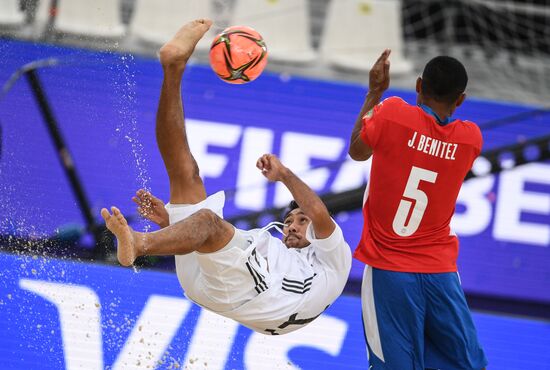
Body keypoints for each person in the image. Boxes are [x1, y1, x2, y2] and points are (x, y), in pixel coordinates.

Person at [101, 19, 352, 336]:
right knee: (188, 177)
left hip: (262, 296)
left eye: (299, 221)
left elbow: (318, 212)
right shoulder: (288, 259)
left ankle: (139, 243)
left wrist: (284, 173)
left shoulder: (333, 257)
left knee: (208, 221)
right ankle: (173, 67)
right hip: (219, 289)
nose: (291, 225)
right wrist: (172, 225)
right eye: (290, 220)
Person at [348, 50, 488, 369]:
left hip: (389, 267)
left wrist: (374, 93)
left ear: (418, 84)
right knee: (468, 364)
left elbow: (357, 151)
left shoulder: (392, 112)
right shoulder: (470, 139)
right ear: (461, 99)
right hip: (440, 270)